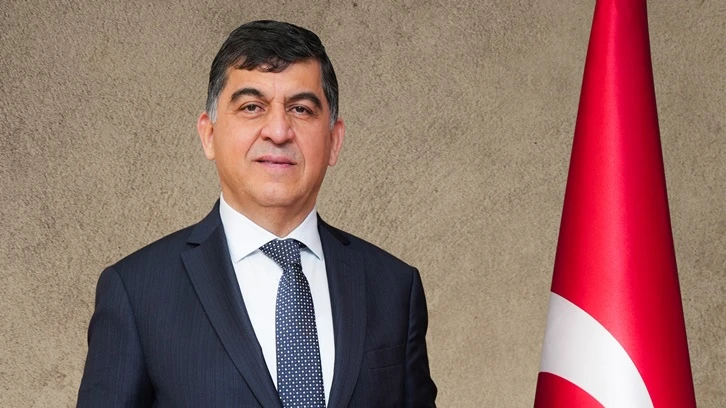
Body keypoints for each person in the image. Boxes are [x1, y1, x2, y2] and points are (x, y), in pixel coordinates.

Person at [77, 20, 437, 408]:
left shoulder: (393, 287)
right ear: (209, 135)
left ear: (334, 141)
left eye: (301, 109)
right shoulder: (136, 291)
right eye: (252, 107)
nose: (278, 131)